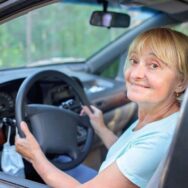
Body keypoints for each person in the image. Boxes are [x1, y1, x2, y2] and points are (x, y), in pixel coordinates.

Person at [15, 28, 188, 188]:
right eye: (134, 61)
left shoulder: (160, 139)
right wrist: (101, 127)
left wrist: (35, 157)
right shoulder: (164, 119)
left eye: (154, 65)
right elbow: (128, 154)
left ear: (181, 82)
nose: (135, 74)